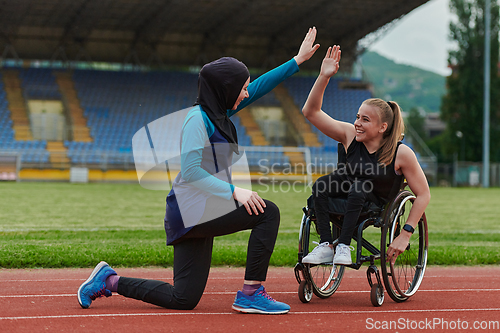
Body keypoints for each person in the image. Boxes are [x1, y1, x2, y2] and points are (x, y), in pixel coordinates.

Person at [78, 28, 321, 314]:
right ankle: (251, 293)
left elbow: (259, 87)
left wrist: (297, 60)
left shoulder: (220, 110)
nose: (246, 93)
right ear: (225, 89)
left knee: (183, 299)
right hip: (192, 210)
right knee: (268, 212)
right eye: (242, 87)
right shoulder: (197, 120)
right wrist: (236, 192)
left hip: (200, 210)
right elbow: (191, 172)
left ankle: (110, 280)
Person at [300, 45, 430, 266]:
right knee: (321, 186)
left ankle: (343, 245)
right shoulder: (350, 135)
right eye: (357, 117)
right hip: (348, 194)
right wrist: (323, 76)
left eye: (365, 120)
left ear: (382, 128)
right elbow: (310, 112)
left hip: (375, 205)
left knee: (359, 188)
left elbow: (424, 194)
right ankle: (327, 245)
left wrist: (406, 233)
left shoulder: (401, 153)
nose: (357, 123)